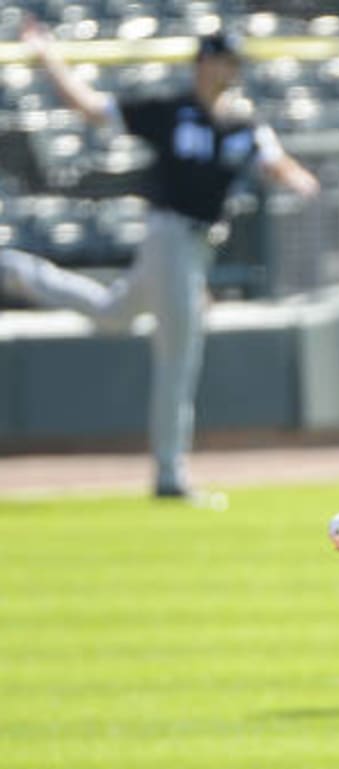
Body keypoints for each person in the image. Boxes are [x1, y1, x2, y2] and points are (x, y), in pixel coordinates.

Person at [0, 22, 319, 501]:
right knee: (179, 356)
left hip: (197, 247)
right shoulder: (170, 110)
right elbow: (90, 108)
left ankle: (18, 272)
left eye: (235, 62)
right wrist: (49, 58)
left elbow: (279, 163)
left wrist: (300, 181)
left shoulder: (243, 123)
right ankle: (170, 476)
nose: (230, 70)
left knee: (113, 313)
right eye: (223, 60)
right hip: (169, 234)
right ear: (203, 62)